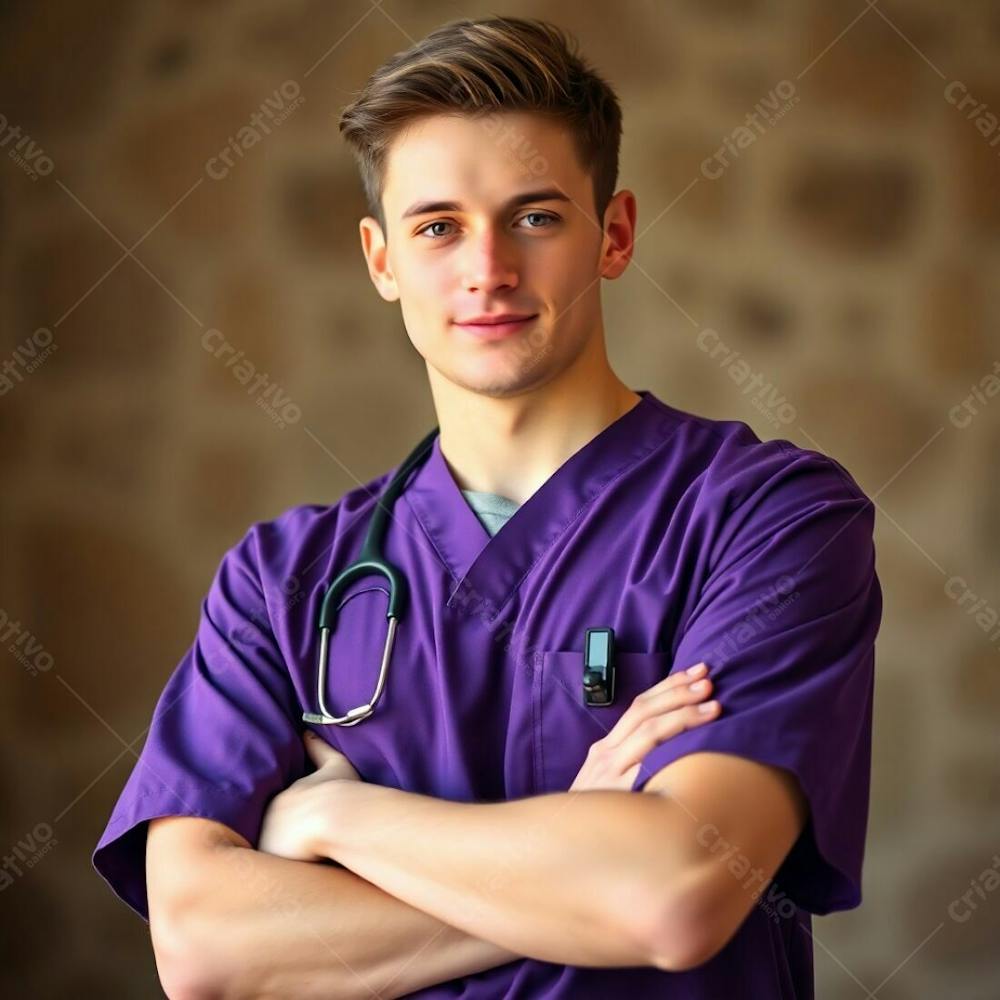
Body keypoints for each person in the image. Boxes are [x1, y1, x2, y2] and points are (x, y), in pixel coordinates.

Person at [93, 15, 882, 999]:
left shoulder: (769, 522)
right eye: (438, 227)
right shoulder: (281, 583)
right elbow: (206, 946)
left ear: (616, 232)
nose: (488, 270)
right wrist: (576, 856)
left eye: (536, 216)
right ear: (381, 261)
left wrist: (341, 821)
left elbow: (670, 896)